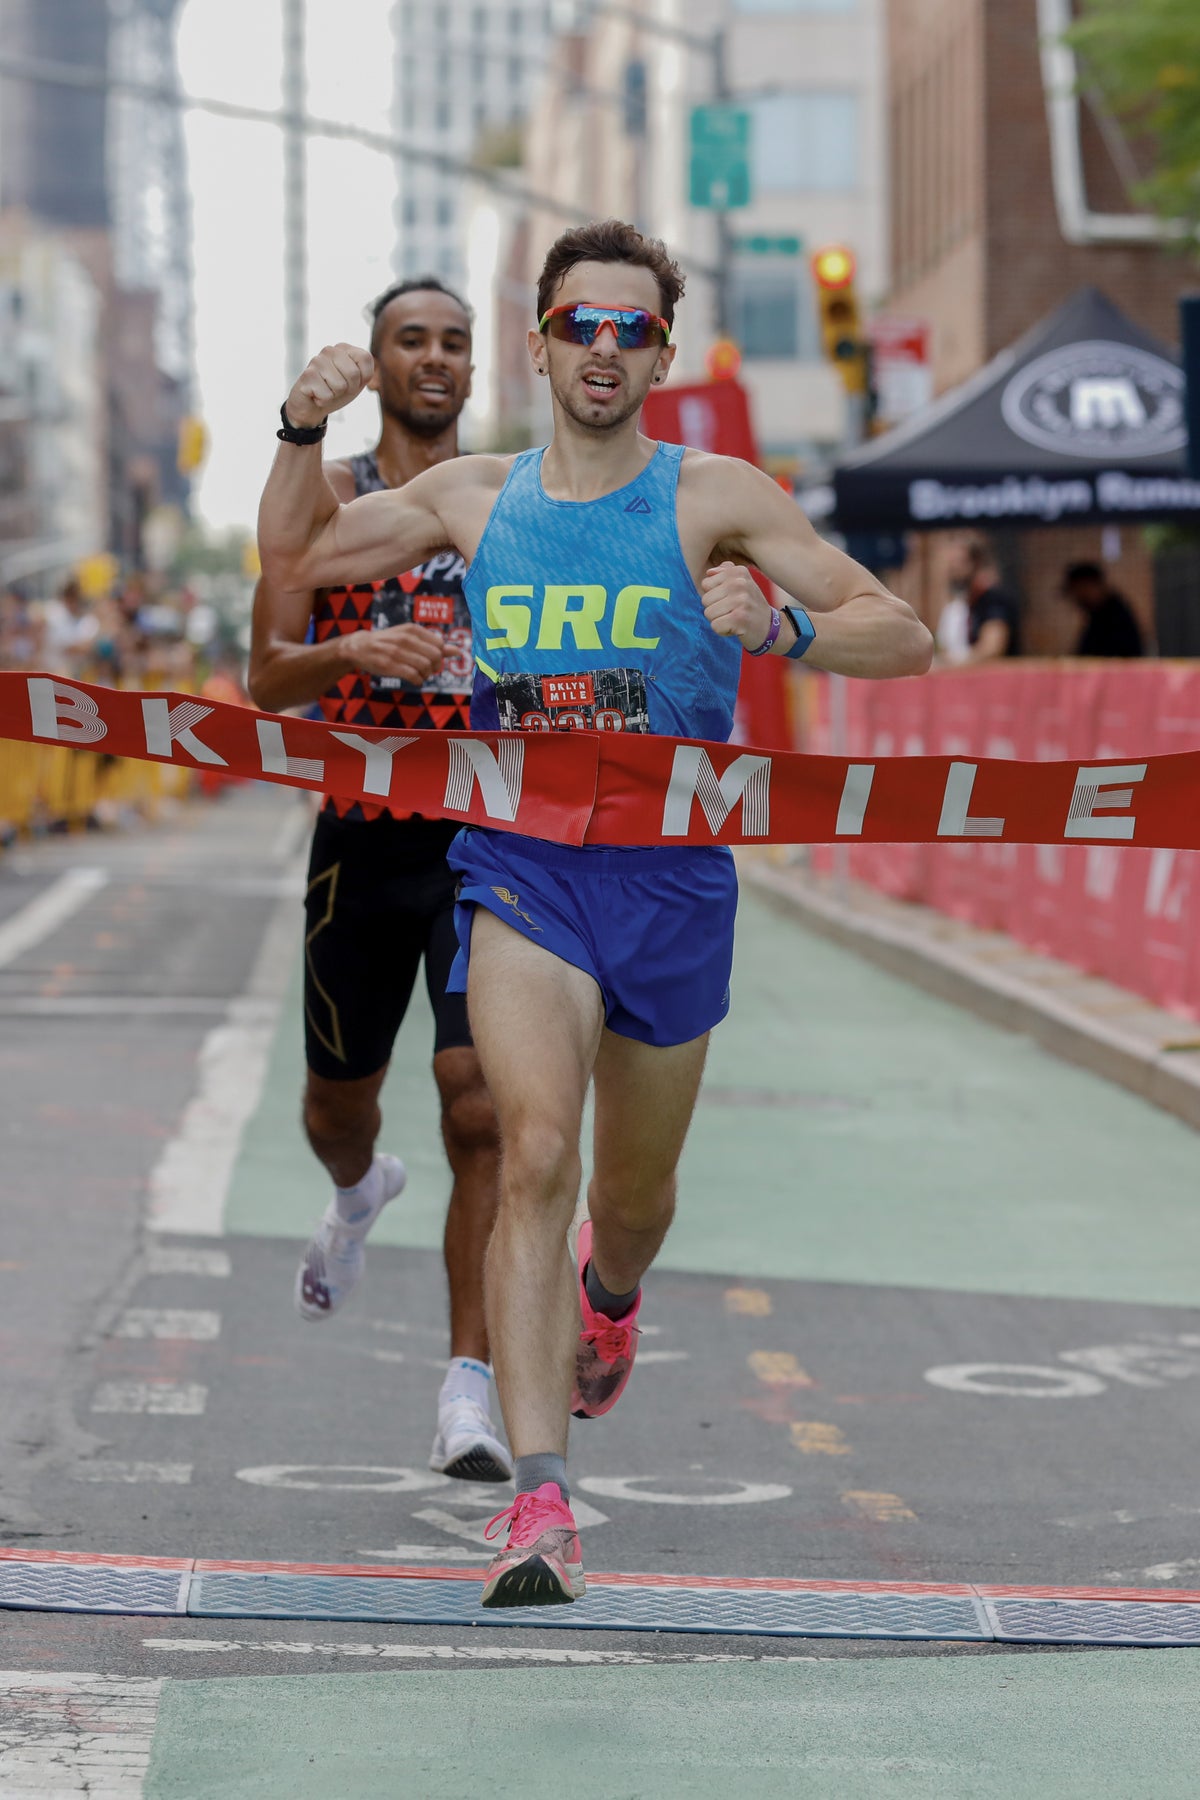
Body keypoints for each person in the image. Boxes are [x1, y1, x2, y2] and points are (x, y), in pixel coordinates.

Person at [258, 218, 932, 1607]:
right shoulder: (472, 495)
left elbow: (900, 633)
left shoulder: (716, 496)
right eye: (583, 326)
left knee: (626, 1205)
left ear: (663, 353)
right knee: (532, 1141)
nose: (606, 352)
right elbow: (301, 557)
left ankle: (609, 1300)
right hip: (524, 871)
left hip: (675, 883)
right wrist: (294, 429)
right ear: (544, 341)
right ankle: (540, 1502)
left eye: (634, 331)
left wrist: (783, 629)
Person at [248, 276, 511, 1485]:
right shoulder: (333, 502)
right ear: (379, 360)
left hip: (483, 844)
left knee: (478, 1103)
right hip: (360, 839)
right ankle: (358, 1196)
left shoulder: (512, 501)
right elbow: (264, 678)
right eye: (414, 340)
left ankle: (470, 1386)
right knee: (333, 1114)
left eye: (456, 341)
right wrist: (356, 647)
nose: (438, 359)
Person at [946, 537, 1021, 661]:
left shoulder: (994, 600)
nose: (954, 570)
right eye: (951, 564)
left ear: (976, 564)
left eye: (959, 562)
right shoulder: (965, 604)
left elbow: (992, 649)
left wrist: (952, 662)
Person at [1062, 561, 1144, 658]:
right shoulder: (1100, 613)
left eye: (1079, 591)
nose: (1076, 599)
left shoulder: (1114, 617)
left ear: (1090, 586)